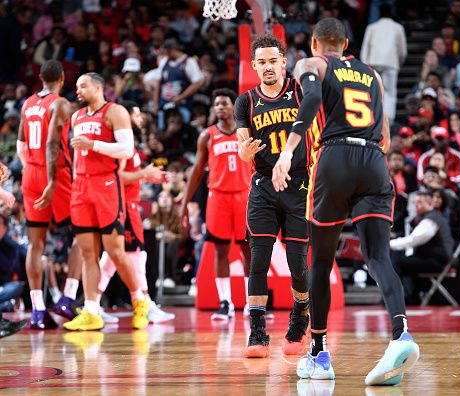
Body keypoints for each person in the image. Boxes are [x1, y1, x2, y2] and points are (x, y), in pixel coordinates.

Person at [272, 18, 419, 385]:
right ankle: (401, 332)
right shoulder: (374, 76)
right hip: (374, 161)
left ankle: (319, 354)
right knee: (378, 257)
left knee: (320, 261)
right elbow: (384, 136)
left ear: (315, 45)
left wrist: (288, 151)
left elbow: (313, 100)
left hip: (334, 158)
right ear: (347, 43)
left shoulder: (313, 65)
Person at [235, 35, 310, 358]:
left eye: (272, 61)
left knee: (297, 265)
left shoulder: (300, 91)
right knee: (258, 262)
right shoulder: (246, 101)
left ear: (284, 62)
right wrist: (244, 151)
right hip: (264, 185)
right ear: (254, 66)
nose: (267, 67)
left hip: (300, 185)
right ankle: (257, 330)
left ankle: (299, 319)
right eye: (261, 62)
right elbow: (242, 146)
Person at [65, 72, 148, 331]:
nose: (78, 90)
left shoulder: (116, 112)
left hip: (107, 185)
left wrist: (94, 144)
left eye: (83, 85)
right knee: (88, 252)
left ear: (98, 87)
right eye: (76, 86)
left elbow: (126, 150)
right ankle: (92, 311)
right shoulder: (76, 116)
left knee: (115, 251)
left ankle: (139, 300)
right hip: (81, 186)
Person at [16, 60, 83, 329]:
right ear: (62, 78)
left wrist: (30, 170)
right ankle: (67, 298)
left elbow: (21, 145)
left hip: (29, 172)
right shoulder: (61, 103)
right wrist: (52, 180)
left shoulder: (28, 104)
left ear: (40, 78)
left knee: (36, 243)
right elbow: (52, 144)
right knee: (82, 234)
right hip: (54, 173)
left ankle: (37, 311)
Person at [181, 89, 252, 321]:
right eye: (216, 104)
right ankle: (226, 303)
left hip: (244, 196)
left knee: (248, 250)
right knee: (220, 251)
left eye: (224, 103)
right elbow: (196, 170)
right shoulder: (207, 135)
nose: (219, 107)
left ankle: (253, 303)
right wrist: (185, 201)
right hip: (218, 197)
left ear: (234, 106)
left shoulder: (247, 132)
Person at [96, 144, 175, 325]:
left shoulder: (129, 147)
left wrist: (150, 178)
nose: (141, 118)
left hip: (127, 205)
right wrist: (145, 174)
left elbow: (131, 177)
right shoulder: (121, 147)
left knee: (113, 259)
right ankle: (145, 303)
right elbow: (117, 177)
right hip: (124, 207)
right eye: (137, 116)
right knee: (135, 259)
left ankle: (93, 304)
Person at [360, 3, 407, 125]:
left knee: (373, 90)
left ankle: (372, 117)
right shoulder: (398, 27)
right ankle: (389, 120)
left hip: (373, 63)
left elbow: (365, 48)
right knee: (390, 93)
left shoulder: (372, 27)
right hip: (391, 63)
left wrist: (365, 66)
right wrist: (398, 63)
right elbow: (403, 51)